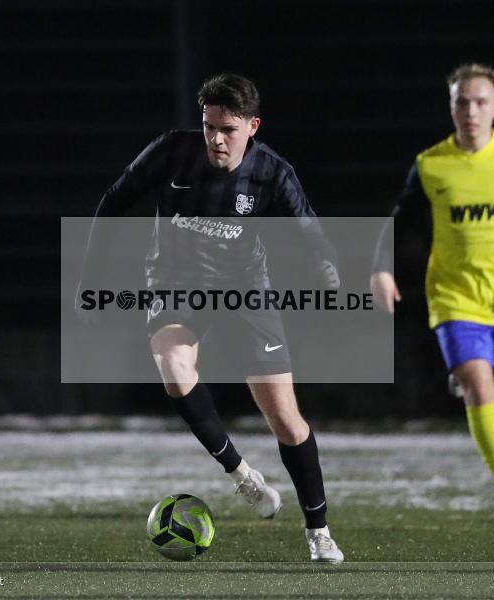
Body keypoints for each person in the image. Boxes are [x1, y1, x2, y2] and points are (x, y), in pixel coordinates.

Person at [77, 73, 344, 561]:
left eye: (229, 129)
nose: (217, 139)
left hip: (245, 290)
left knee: (286, 420)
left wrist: (324, 260)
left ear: (253, 126)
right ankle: (243, 477)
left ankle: (318, 530)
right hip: (176, 286)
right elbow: (113, 200)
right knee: (175, 371)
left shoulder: (271, 172)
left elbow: (309, 228)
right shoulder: (172, 152)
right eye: (209, 127)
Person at [370, 63, 494, 522]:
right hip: (453, 298)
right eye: (462, 102)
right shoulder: (431, 163)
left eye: (480, 102)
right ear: (452, 107)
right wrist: (380, 270)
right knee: (481, 389)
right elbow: (397, 219)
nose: (471, 111)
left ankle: (468, 379)